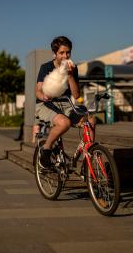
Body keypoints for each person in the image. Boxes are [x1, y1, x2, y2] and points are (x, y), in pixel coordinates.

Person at [35, 36, 95, 167]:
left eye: (68, 52)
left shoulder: (73, 68)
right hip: (46, 104)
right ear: (55, 53)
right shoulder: (46, 67)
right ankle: (46, 148)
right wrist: (43, 96)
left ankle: (88, 159)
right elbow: (38, 91)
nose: (65, 55)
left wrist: (70, 75)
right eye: (61, 53)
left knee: (90, 121)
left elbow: (76, 94)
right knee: (64, 123)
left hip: (67, 104)